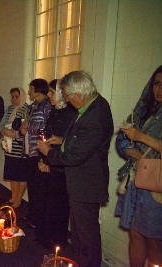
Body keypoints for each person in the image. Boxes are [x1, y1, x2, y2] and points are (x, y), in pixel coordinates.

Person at [36, 70, 114, 267]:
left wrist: (48, 152)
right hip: (82, 182)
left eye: (69, 96)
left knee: (86, 237)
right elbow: (84, 143)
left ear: (78, 95)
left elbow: (74, 156)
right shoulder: (92, 106)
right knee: (79, 234)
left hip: (86, 184)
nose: (68, 101)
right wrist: (63, 140)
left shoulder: (94, 116)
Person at [115, 65, 162, 267]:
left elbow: (140, 138)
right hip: (137, 179)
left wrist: (142, 137)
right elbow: (121, 139)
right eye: (157, 83)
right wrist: (134, 152)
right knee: (135, 234)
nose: (160, 89)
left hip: (157, 185)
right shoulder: (144, 109)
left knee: (155, 241)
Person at [36, 79, 77, 250]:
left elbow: (73, 142)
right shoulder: (53, 111)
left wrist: (51, 159)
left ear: (63, 93)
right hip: (49, 161)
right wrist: (43, 159)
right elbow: (46, 135)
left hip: (61, 166)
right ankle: (46, 236)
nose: (49, 95)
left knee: (60, 206)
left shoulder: (71, 113)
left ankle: (58, 241)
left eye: (52, 92)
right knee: (45, 202)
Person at [19, 79, 52, 236]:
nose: (29, 91)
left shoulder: (47, 105)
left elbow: (45, 128)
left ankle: (38, 219)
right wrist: (22, 128)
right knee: (32, 187)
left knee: (39, 189)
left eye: (30, 89)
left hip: (39, 153)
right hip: (29, 150)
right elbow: (26, 125)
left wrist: (28, 127)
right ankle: (32, 216)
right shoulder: (32, 107)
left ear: (38, 90)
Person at [0, 87, 29, 208]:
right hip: (9, 146)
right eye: (12, 97)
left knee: (20, 174)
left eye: (16, 96)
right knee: (12, 174)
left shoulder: (27, 109)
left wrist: (15, 134)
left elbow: (27, 128)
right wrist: (4, 131)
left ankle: (18, 199)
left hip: (20, 147)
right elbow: (1, 124)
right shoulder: (9, 109)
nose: (14, 99)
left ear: (22, 96)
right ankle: (13, 196)